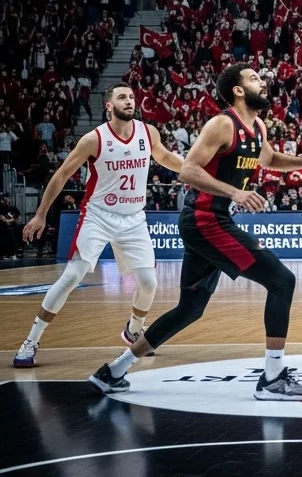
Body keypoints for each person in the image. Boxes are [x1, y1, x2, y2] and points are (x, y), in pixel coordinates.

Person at [88, 64, 302, 400]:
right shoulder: (222, 124)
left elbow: (269, 159)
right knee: (282, 280)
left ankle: (113, 371)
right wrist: (236, 193)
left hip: (209, 221)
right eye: (253, 79)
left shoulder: (258, 127)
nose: (262, 82)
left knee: (190, 309)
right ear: (238, 90)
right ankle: (273, 378)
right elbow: (188, 171)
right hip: (205, 220)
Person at [14, 84, 184, 367]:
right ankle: (31, 339)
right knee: (72, 276)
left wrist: (194, 169)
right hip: (98, 216)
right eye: (122, 97)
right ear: (108, 106)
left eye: (131, 97)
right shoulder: (94, 139)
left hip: (134, 219)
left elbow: (166, 158)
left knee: (149, 283)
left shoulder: (148, 132)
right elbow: (62, 175)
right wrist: (41, 213)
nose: (129, 101)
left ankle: (132, 330)